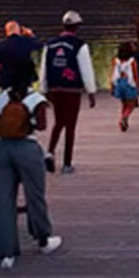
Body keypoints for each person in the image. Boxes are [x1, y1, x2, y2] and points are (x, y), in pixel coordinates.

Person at [0, 60, 62, 268]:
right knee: (35, 195)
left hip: (3, 149)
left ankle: (5, 252)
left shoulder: (1, 99)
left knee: (1, 198)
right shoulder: (35, 99)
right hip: (27, 148)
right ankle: (43, 239)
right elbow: (43, 125)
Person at [40, 10, 97, 174]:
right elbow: (86, 69)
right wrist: (91, 91)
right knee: (70, 125)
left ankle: (49, 152)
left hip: (55, 88)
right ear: (77, 26)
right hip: (71, 89)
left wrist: (44, 89)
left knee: (59, 122)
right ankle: (67, 163)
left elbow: (44, 68)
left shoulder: (50, 44)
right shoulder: (80, 45)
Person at [0, 20, 40, 92]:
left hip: (7, 82)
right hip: (26, 81)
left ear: (6, 31)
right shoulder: (27, 42)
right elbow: (39, 47)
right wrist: (31, 35)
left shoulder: (0, 45)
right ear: (19, 30)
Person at [110, 42, 139, 132]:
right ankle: (124, 117)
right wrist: (137, 85)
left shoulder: (116, 61)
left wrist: (112, 86)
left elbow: (113, 74)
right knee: (131, 104)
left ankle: (123, 119)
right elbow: (135, 74)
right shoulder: (132, 61)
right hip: (129, 83)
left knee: (124, 103)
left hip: (119, 83)